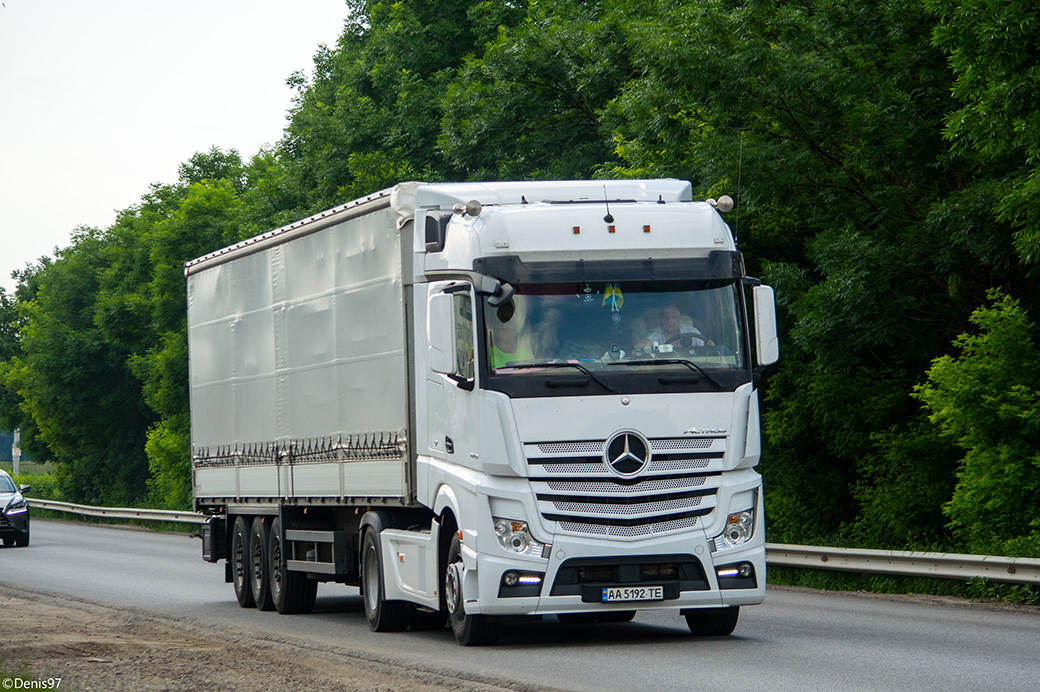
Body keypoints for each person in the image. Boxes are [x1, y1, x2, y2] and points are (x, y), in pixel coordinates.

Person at [634, 304, 711, 352]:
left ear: (679, 319)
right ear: (661, 320)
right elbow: (648, 341)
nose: (669, 321)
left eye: (673, 317)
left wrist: (710, 347)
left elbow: (703, 350)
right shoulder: (656, 333)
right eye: (665, 318)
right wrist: (642, 345)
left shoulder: (692, 331)